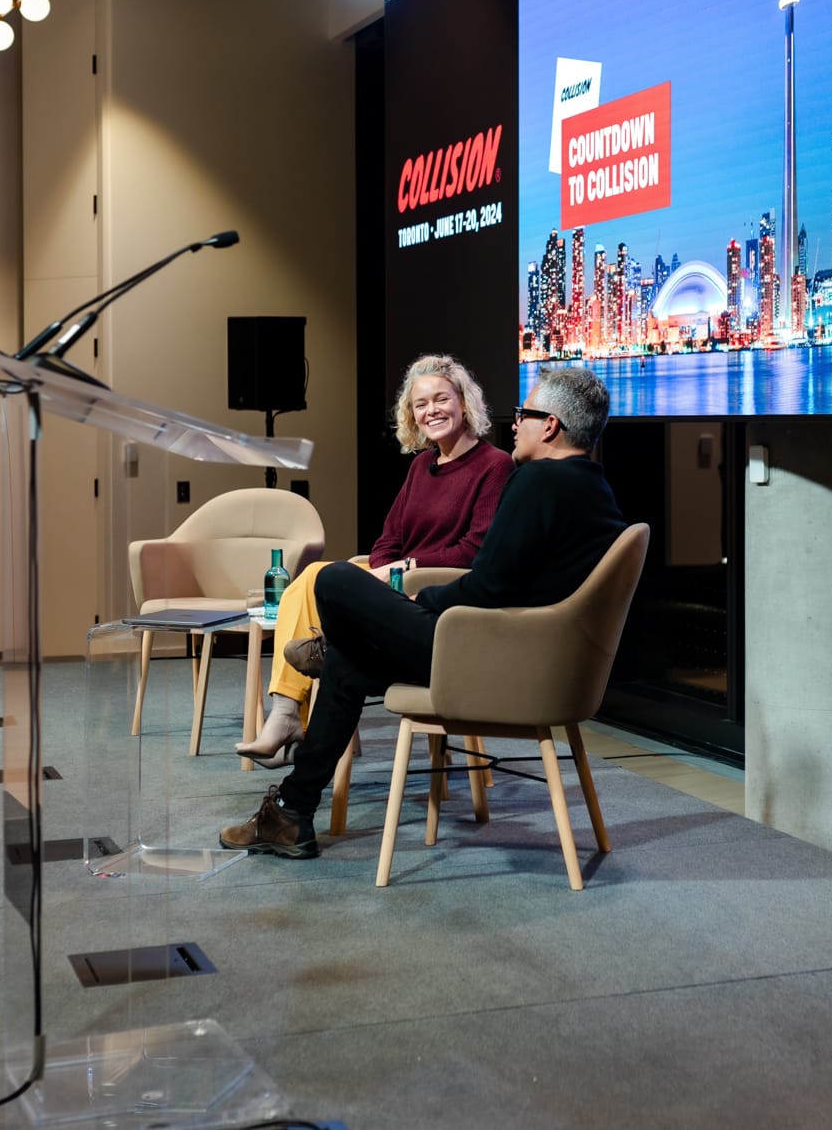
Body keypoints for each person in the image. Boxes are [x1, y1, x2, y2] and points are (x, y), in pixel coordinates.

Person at [221, 365, 625, 858]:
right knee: (348, 665)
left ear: (552, 425)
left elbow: (486, 584)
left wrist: (416, 601)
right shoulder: (594, 489)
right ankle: (290, 811)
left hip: (489, 658)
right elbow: (505, 584)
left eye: (524, 414)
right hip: (528, 657)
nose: (514, 423)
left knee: (332, 579)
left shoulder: (536, 483)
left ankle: (334, 647)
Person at [235, 354, 511, 761]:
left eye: (441, 399)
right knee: (311, 577)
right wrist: (382, 570)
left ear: (464, 402)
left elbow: (475, 549)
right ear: (411, 415)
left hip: (437, 588)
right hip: (396, 578)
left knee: (322, 580)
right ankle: (285, 710)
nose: (432, 411)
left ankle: (289, 716)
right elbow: (390, 536)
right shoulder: (421, 465)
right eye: (421, 404)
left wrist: (406, 568)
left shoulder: (494, 465)